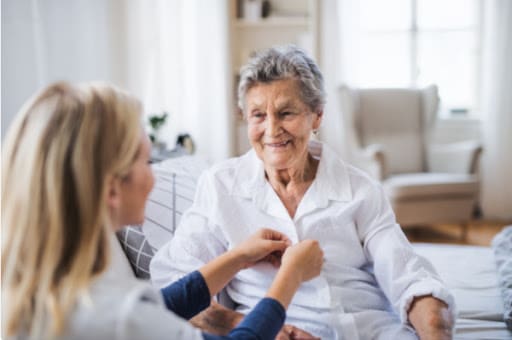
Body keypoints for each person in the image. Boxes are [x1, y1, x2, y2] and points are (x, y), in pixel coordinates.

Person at [151, 45, 456, 340]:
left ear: (317, 116)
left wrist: (434, 327)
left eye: (286, 113)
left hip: (368, 330)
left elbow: (408, 277)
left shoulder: (360, 190)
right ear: (245, 118)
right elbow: (176, 286)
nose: (272, 130)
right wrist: (243, 324)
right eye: (258, 115)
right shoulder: (220, 186)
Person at [1, 81, 325, 340]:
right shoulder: (121, 318)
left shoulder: (45, 291)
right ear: (113, 189)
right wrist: (290, 276)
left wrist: (237, 257)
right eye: (146, 160)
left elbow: (162, 306)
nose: (153, 174)